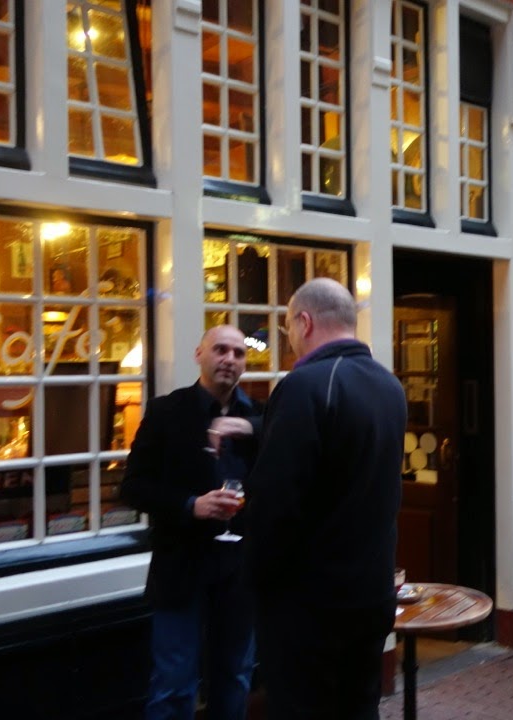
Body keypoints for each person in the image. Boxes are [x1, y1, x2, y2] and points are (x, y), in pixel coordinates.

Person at [246, 278, 407, 720]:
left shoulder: (305, 385)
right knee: (359, 707)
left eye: (287, 329)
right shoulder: (390, 386)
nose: (290, 340)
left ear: (305, 321)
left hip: (312, 605)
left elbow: (277, 501)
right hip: (372, 592)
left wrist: (257, 578)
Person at [121, 325, 260, 720]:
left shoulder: (259, 416)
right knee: (173, 684)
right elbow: (133, 487)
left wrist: (252, 428)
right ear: (199, 354)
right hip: (181, 564)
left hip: (239, 570)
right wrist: (190, 505)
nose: (229, 359)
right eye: (220, 350)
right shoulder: (167, 412)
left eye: (238, 353)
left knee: (235, 677)